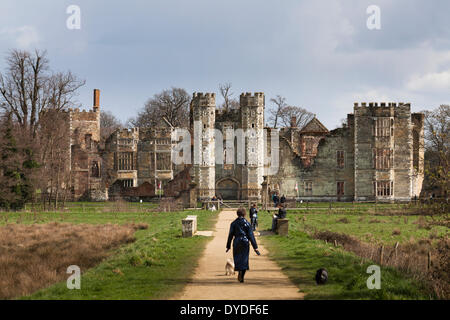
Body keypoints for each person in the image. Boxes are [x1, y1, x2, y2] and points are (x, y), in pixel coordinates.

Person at [226, 208, 260, 283]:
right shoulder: (247, 223)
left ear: (237, 214)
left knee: (237, 258)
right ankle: (242, 275)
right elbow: (251, 236)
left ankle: (239, 272)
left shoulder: (233, 223)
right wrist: (255, 247)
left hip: (237, 242)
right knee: (244, 259)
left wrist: (228, 246)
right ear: (244, 214)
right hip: (245, 242)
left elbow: (230, 235)